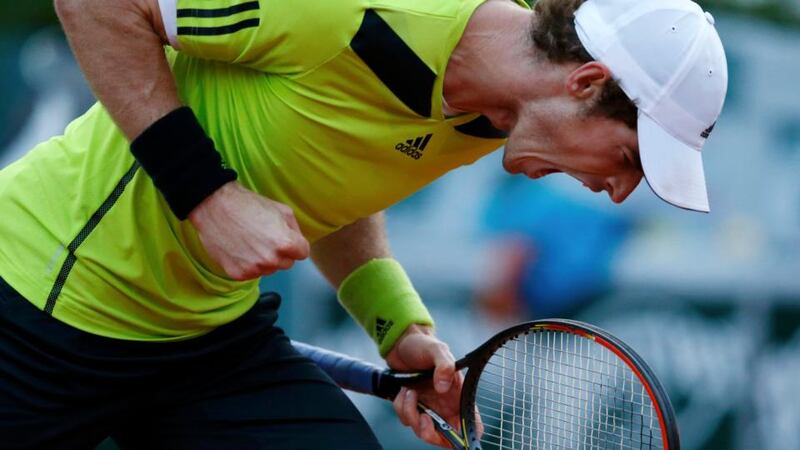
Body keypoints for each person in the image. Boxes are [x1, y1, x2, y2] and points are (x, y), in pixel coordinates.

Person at [0, 0, 727, 448]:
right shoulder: (341, 11)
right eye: (629, 157)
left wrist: (397, 328)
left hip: (204, 341)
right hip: (38, 300)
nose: (620, 191)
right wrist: (207, 195)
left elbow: (332, 174)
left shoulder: (490, 118)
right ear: (586, 82)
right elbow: (96, 3)